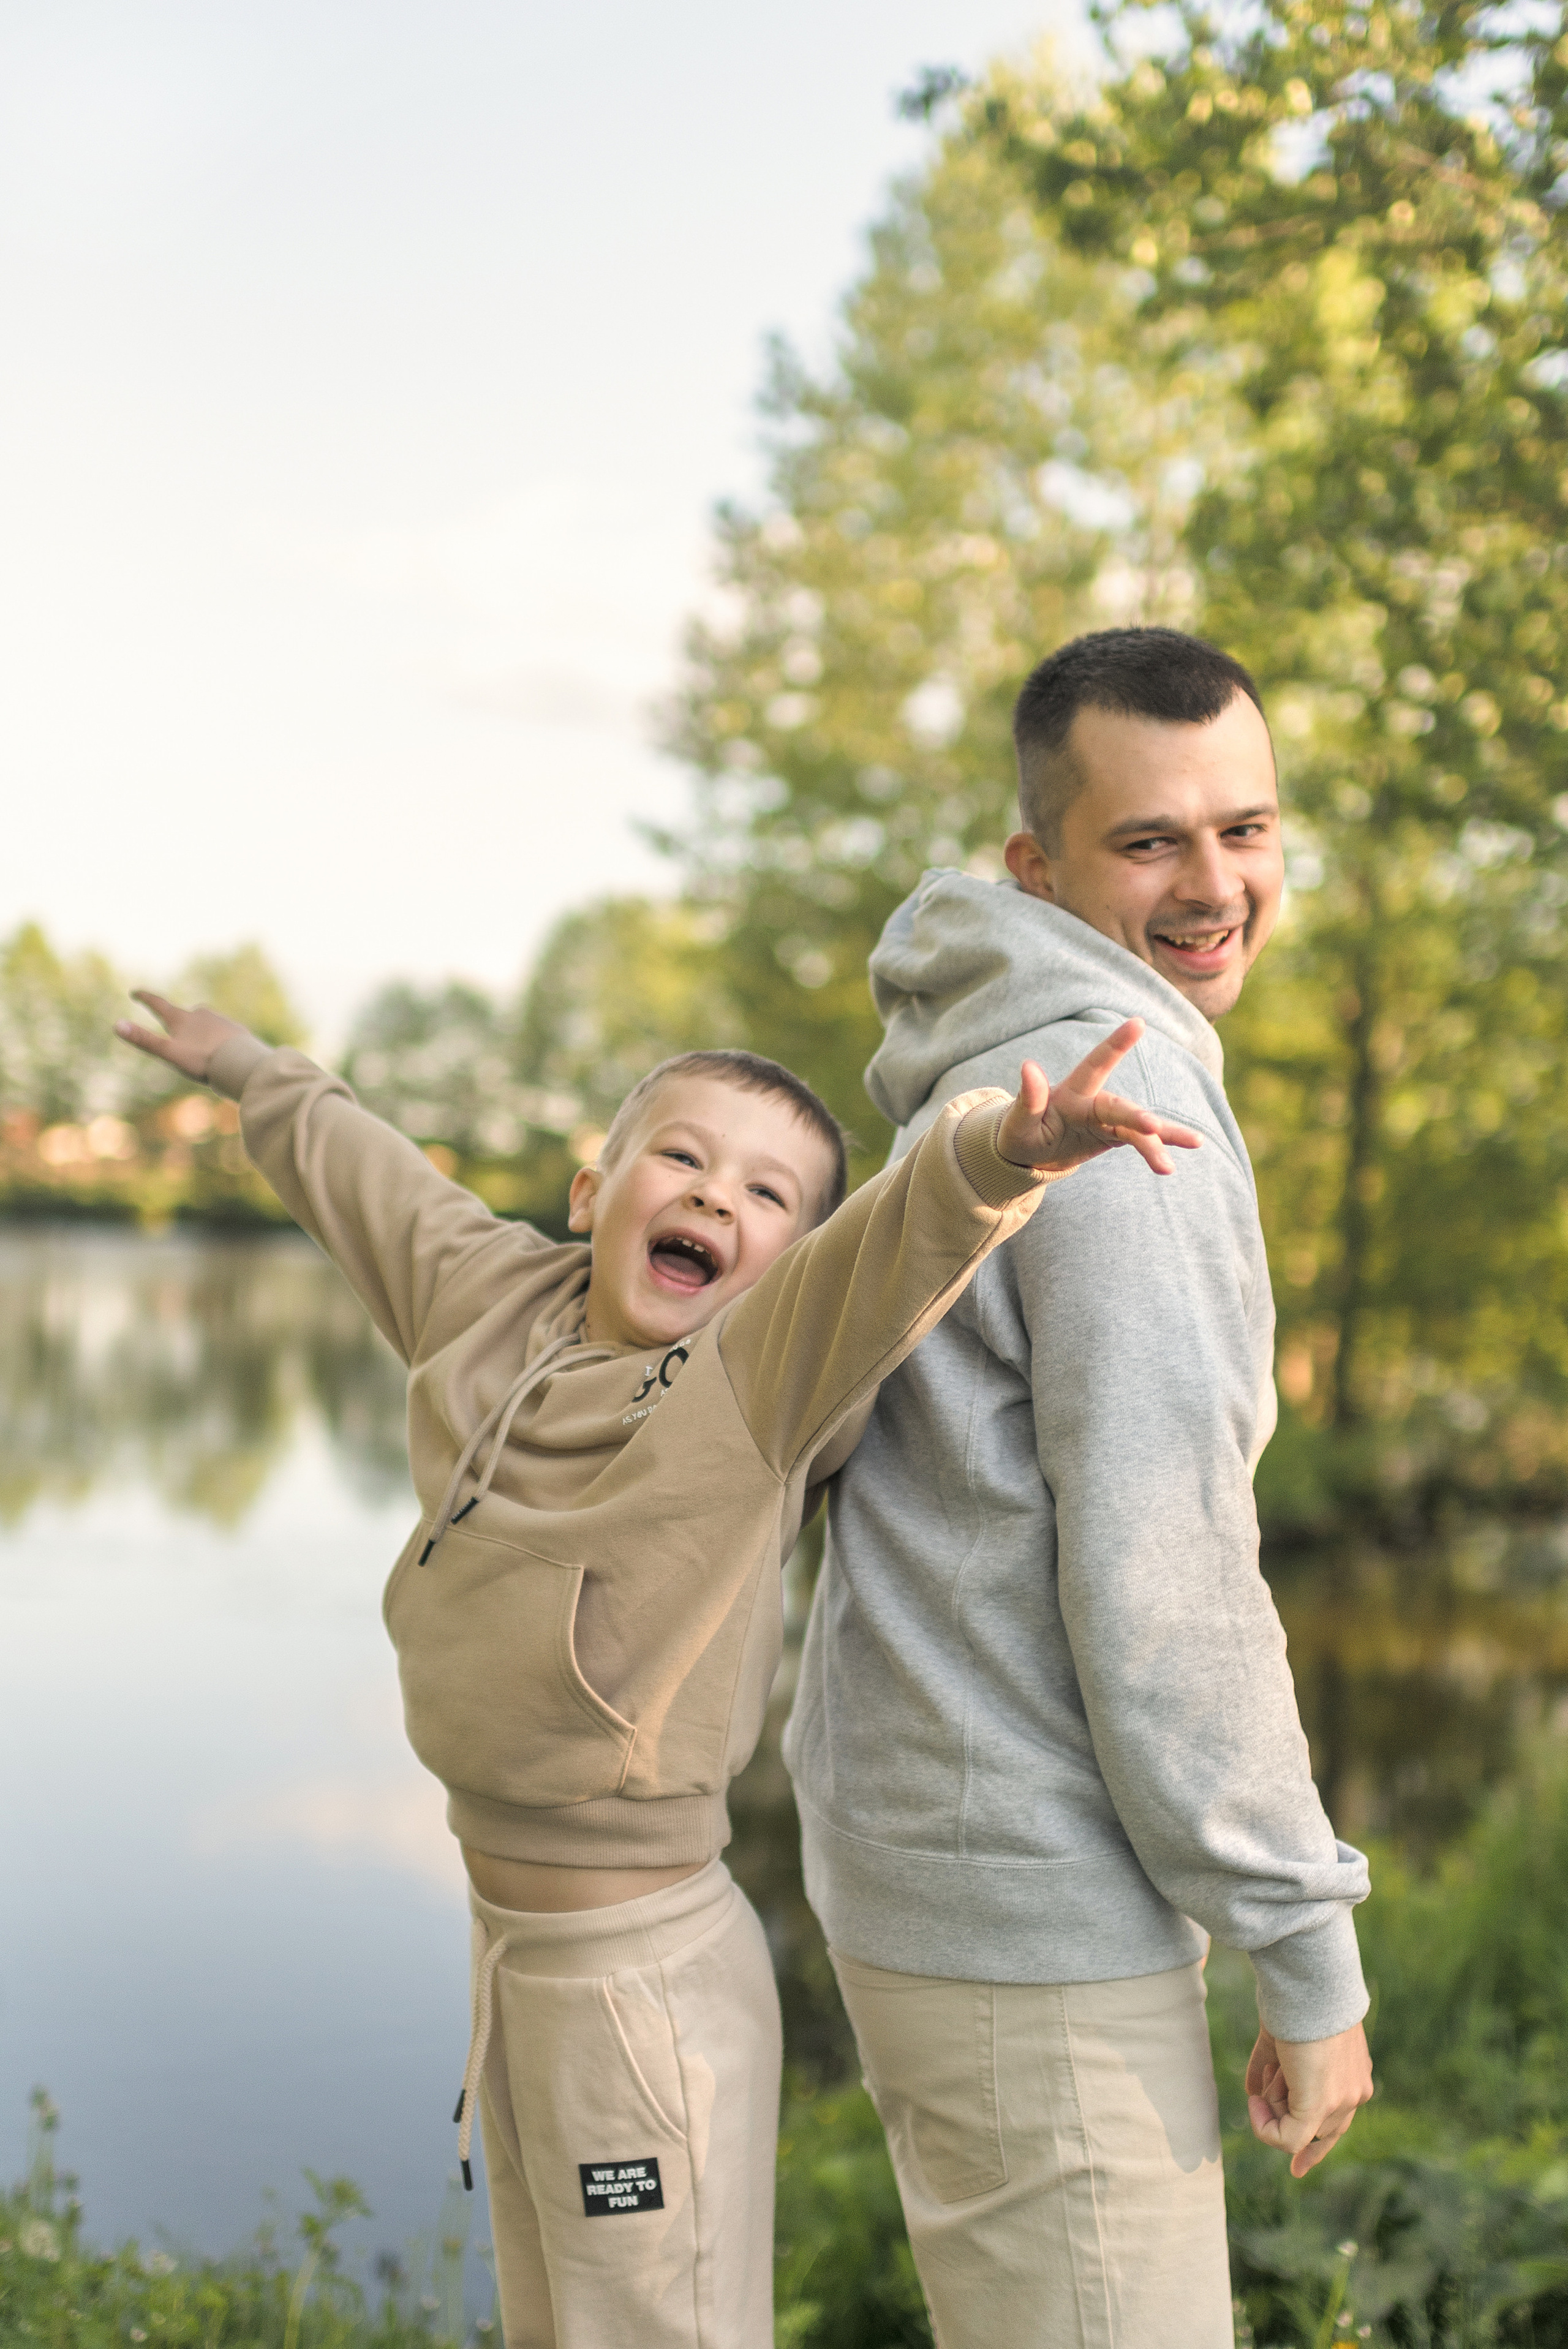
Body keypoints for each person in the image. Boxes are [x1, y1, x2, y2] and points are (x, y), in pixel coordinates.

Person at [115, 993, 1198, 2349]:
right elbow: (369, 1178)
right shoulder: (493, 1299)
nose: (713, 1197)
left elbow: (897, 1240)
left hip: (638, 1990)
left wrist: (1003, 1154)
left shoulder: (751, 1379)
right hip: (511, 1957)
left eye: (764, 1194)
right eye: (681, 1158)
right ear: (595, 1188)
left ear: (788, 1262)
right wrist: (246, 1066)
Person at [784, 625, 1376, 2349]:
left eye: (1247, 828)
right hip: (1019, 1898)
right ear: (1039, 864)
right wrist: (1306, 1947)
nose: (1217, 884)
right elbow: (1169, 1578)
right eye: (1152, 841)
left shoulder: (1016, 1069)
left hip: (960, 1865)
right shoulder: (1117, 1125)